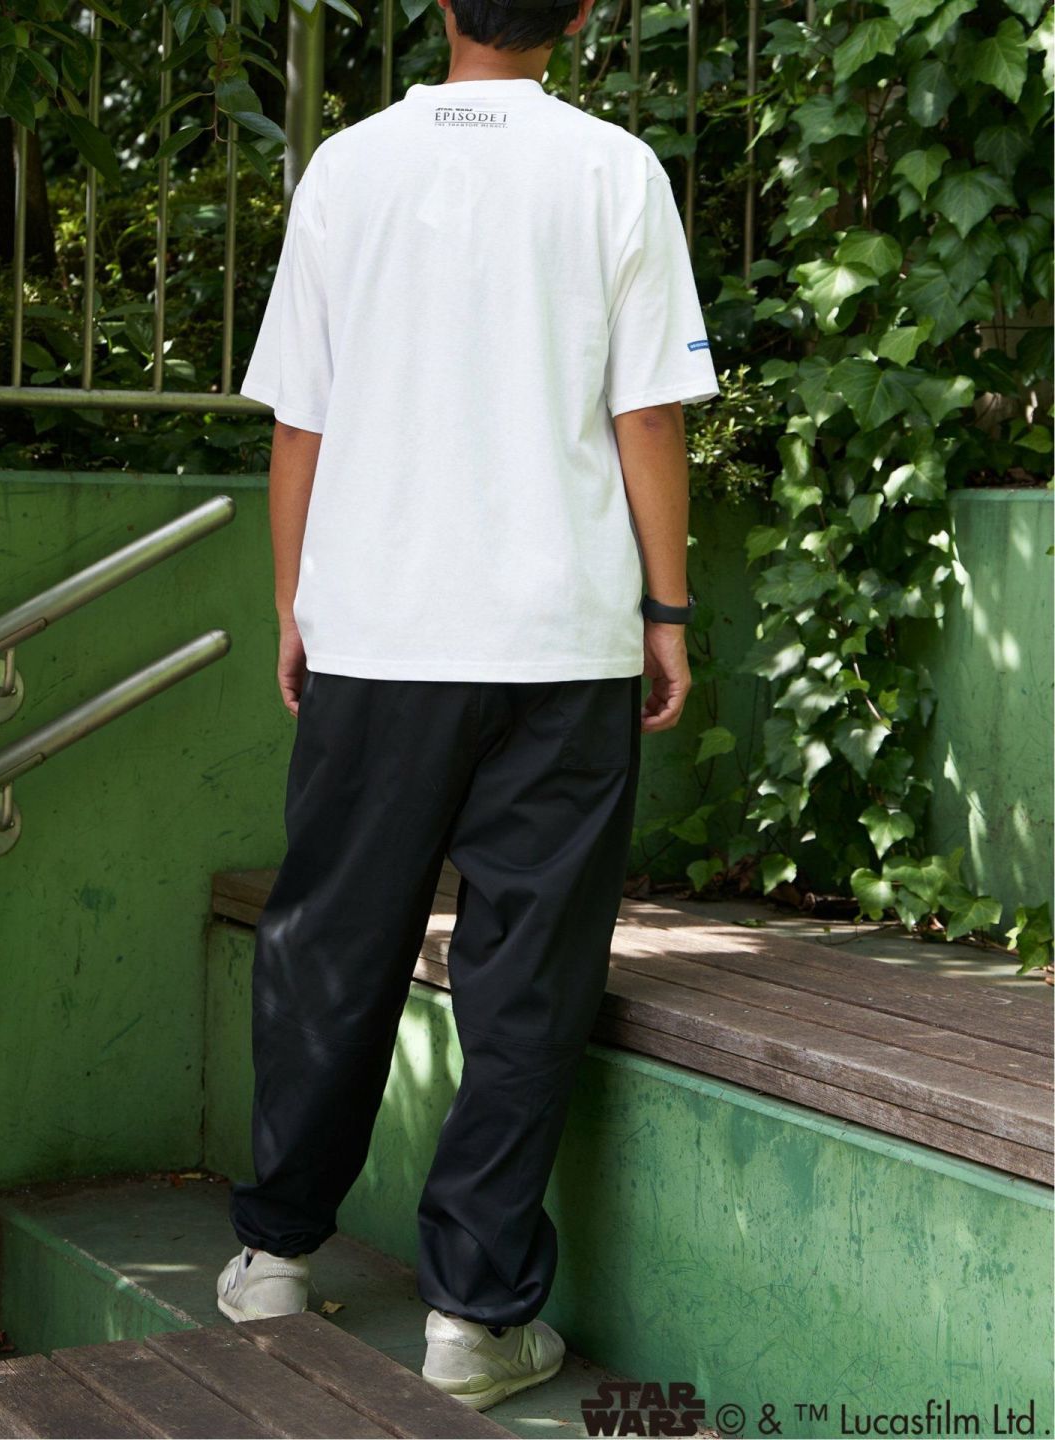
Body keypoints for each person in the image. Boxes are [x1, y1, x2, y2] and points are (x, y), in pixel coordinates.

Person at [215, 0, 718, 1412]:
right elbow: (648, 414)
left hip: (376, 634)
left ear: (440, 5)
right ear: (581, 12)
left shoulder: (348, 167)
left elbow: (300, 419)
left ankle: (274, 1256)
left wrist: (294, 603)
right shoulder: (615, 170)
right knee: (528, 976)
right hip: (559, 642)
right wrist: (667, 610)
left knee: (330, 941)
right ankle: (474, 1322)